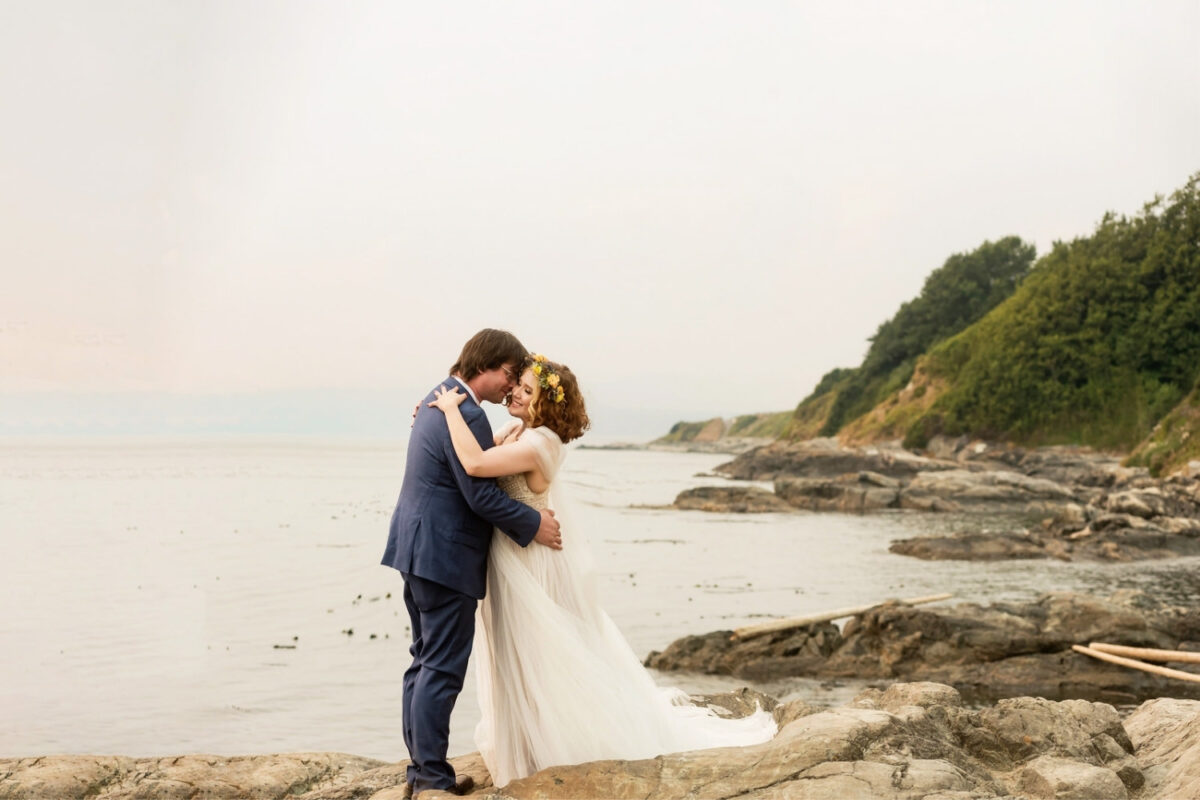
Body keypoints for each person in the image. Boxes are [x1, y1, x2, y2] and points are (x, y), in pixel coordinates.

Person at [427, 354, 777, 788]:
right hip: (513, 556)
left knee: (540, 655)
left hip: (530, 565)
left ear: (546, 405)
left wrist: (447, 410)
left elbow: (476, 464)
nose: (516, 392)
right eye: (518, 384)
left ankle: (550, 749)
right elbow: (475, 452)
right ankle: (528, 745)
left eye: (527, 390)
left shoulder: (541, 443)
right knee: (516, 656)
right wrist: (445, 423)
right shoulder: (520, 430)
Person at [381, 329, 564, 798]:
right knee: (440, 667)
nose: (510, 386)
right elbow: (479, 493)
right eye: (508, 375)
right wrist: (533, 524)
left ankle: (422, 771)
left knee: (424, 662)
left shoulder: (438, 400)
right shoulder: (463, 412)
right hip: (444, 555)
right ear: (487, 364)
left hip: (416, 547)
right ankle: (430, 781)